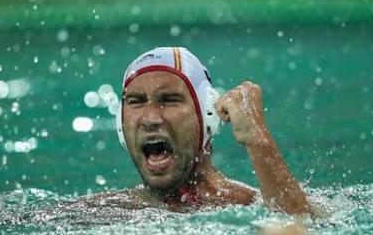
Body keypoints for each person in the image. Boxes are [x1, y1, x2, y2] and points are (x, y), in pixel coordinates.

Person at [98, 46, 312, 215]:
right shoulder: (102, 212)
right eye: (136, 102)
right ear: (121, 124)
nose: (151, 119)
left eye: (169, 100)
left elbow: (302, 227)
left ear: (206, 116)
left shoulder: (250, 205)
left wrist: (257, 139)